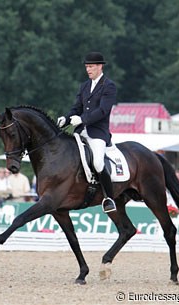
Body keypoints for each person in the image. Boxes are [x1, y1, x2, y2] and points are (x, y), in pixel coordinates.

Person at [57, 52, 117, 213]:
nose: (88, 70)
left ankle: (109, 198)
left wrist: (83, 119)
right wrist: (67, 118)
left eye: (91, 67)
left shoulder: (108, 86)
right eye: (86, 67)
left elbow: (103, 111)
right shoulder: (84, 86)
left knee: (98, 162)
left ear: (99, 66)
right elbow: (76, 108)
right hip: (81, 132)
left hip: (98, 133)